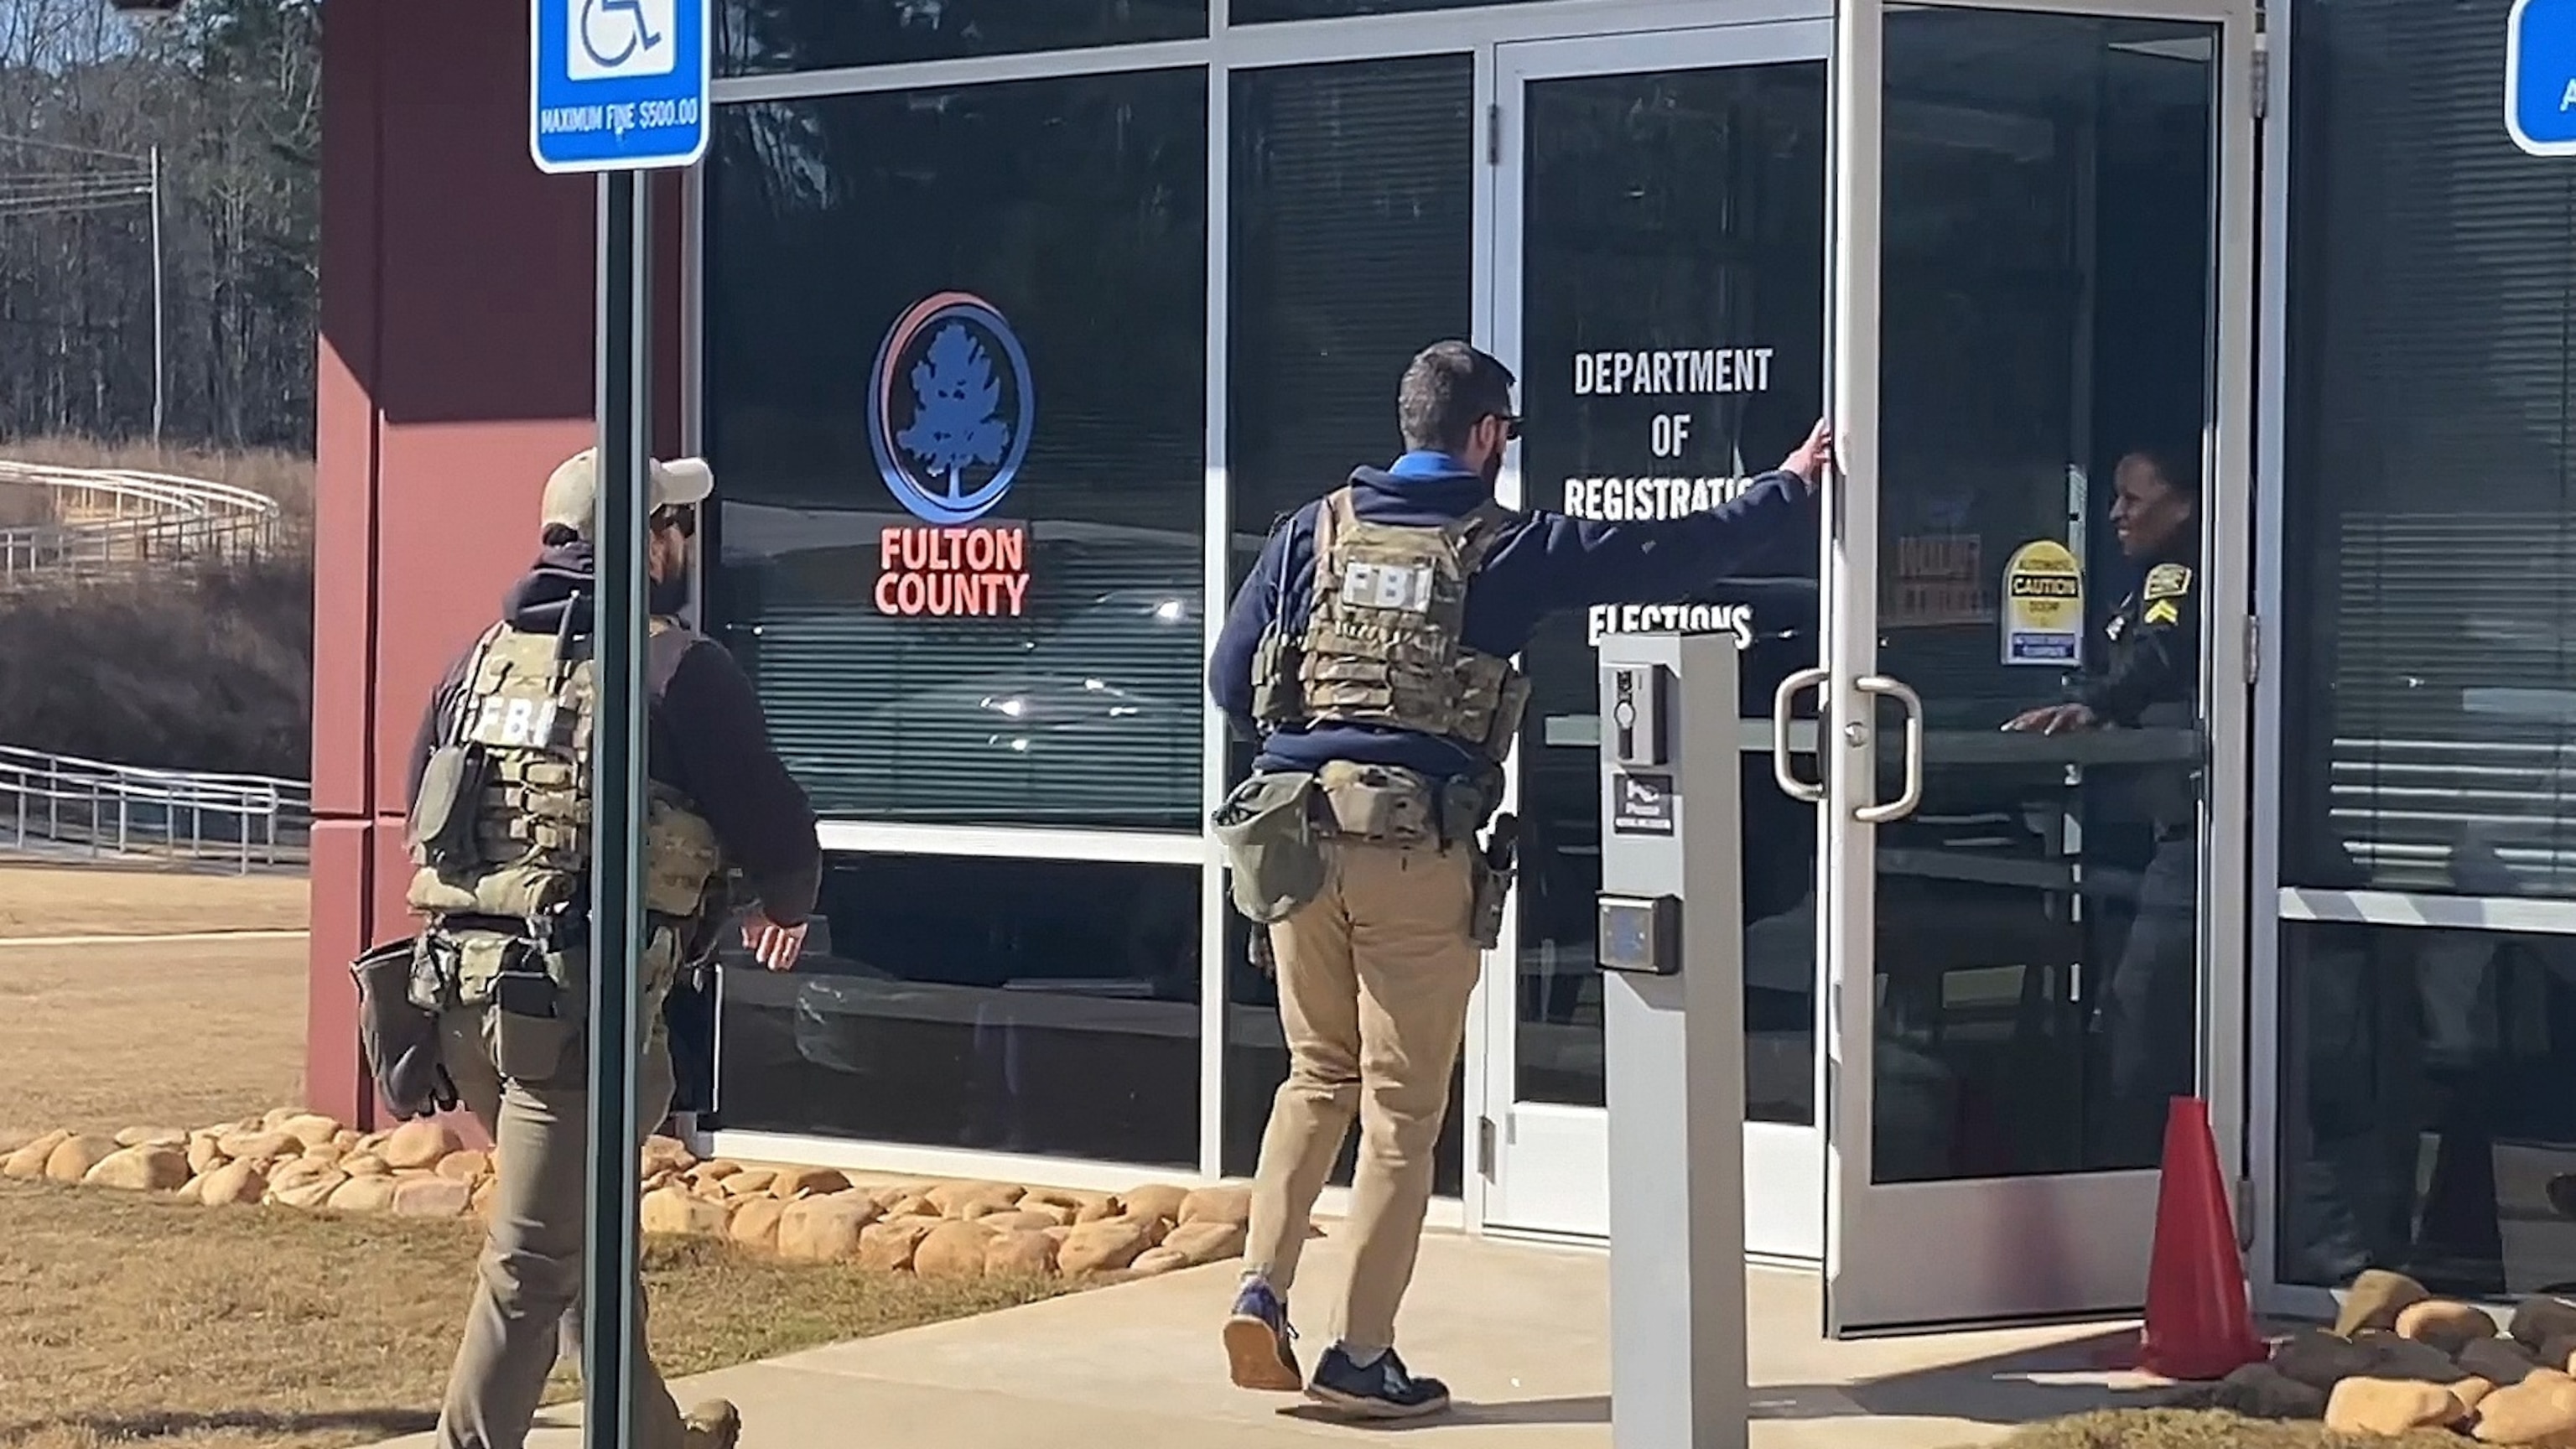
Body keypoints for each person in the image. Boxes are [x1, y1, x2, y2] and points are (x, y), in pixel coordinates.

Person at [1207, 340, 1828, 1419]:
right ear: (1486, 434)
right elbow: (1663, 556)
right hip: (1414, 848)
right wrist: (1787, 488)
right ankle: (1360, 1355)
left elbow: (1231, 678)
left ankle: (1261, 1288)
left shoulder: (1310, 532)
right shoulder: (1507, 547)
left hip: (1295, 844)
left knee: (1317, 1075)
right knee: (1400, 1109)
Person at [402, 446, 823, 1449]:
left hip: (463, 1001)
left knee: (587, 1236)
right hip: (571, 1020)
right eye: (675, 525)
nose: (686, 544)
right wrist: (785, 901)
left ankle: (649, 1436)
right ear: (643, 540)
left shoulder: (478, 662)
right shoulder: (677, 667)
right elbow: (776, 826)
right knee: (534, 1267)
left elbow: (423, 803)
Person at [2004, 446, 2201, 1155]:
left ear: (2183, 505)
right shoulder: (2148, 579)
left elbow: (2160, 653)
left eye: (2133, 499)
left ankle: (2131, 1170)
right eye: (2114, 497)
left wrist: (2098, 705)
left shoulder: (2180, 575)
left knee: (2139, 1015)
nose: (2116, 513)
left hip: (2195, 838)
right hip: (2156, 833)